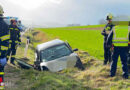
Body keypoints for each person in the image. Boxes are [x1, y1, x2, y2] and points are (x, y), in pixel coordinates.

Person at [0, 5, 10, 88]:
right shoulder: (4, 25)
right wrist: (3, 56)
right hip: (0, 55)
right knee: (0, 74)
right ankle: (1, 87)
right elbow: (5, 43)